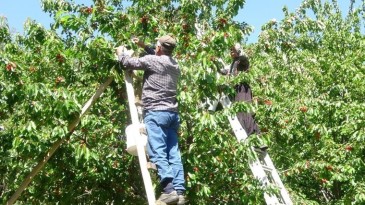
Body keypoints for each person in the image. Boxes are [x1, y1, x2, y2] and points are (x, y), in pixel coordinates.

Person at [116, 35, 186, 205]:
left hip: (156, 113)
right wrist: (143, 45)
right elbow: (157, 55)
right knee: (173, 152)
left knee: (157, 150)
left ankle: (168, 190)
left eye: (156, 45)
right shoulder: (174, 64)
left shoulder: (152, 61)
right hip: (172, 114)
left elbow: (127, 63)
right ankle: (180, 191)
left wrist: (120, 53)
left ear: (160, 48)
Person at [219, 43, 265, 147]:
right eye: (230, 50)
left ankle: (255, 139)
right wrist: (216, 65)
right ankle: (246, 136)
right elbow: (225, 72)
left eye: (233, 50)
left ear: (238, 51)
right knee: (238, 113)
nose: (231, 52)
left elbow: (244, 60)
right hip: (235, 90)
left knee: (245, 112)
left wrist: (239, 51)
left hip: (242, 89)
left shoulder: (241, 60)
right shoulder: (232, 64)